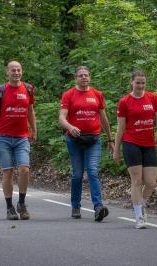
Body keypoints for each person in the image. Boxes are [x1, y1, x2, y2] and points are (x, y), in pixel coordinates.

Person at [113, 69, 157, 229]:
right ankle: (139, 216)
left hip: (149, 144)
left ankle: (141, 203)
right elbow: (120, 129)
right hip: (131, 143)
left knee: (151, 182)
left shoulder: (152, 98)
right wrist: (116, 150)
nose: (140, 85)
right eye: (137, 82)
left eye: (143, 83)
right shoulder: (124, 102)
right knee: (137, 181)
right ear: (131, 83)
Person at [59, 66, 114, 222]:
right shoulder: (68, 95)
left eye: (86, 75)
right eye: (80, 75)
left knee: (92, 171)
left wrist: (110, 139)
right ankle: (76, 206)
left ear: (90, 77)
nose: (84, 78)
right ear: (75, 78)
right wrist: (70, 127)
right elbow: (61, 118)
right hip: (74, 140)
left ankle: (98, 207)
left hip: (93, 140)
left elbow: (103, 119)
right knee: (77, 174)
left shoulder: (97, 94)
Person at [0, 61, 37, 220]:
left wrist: (34, 129)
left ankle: (21, 203)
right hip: (3, 137)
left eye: (19, 70)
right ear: (7, 72)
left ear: (22, 71)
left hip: (22, 137)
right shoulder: (0, 90)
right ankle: (9, 207)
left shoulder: (28, 88)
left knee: (24, 169)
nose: (16, 73)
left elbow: (30, 111)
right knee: (7, 172)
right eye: (13, 70)